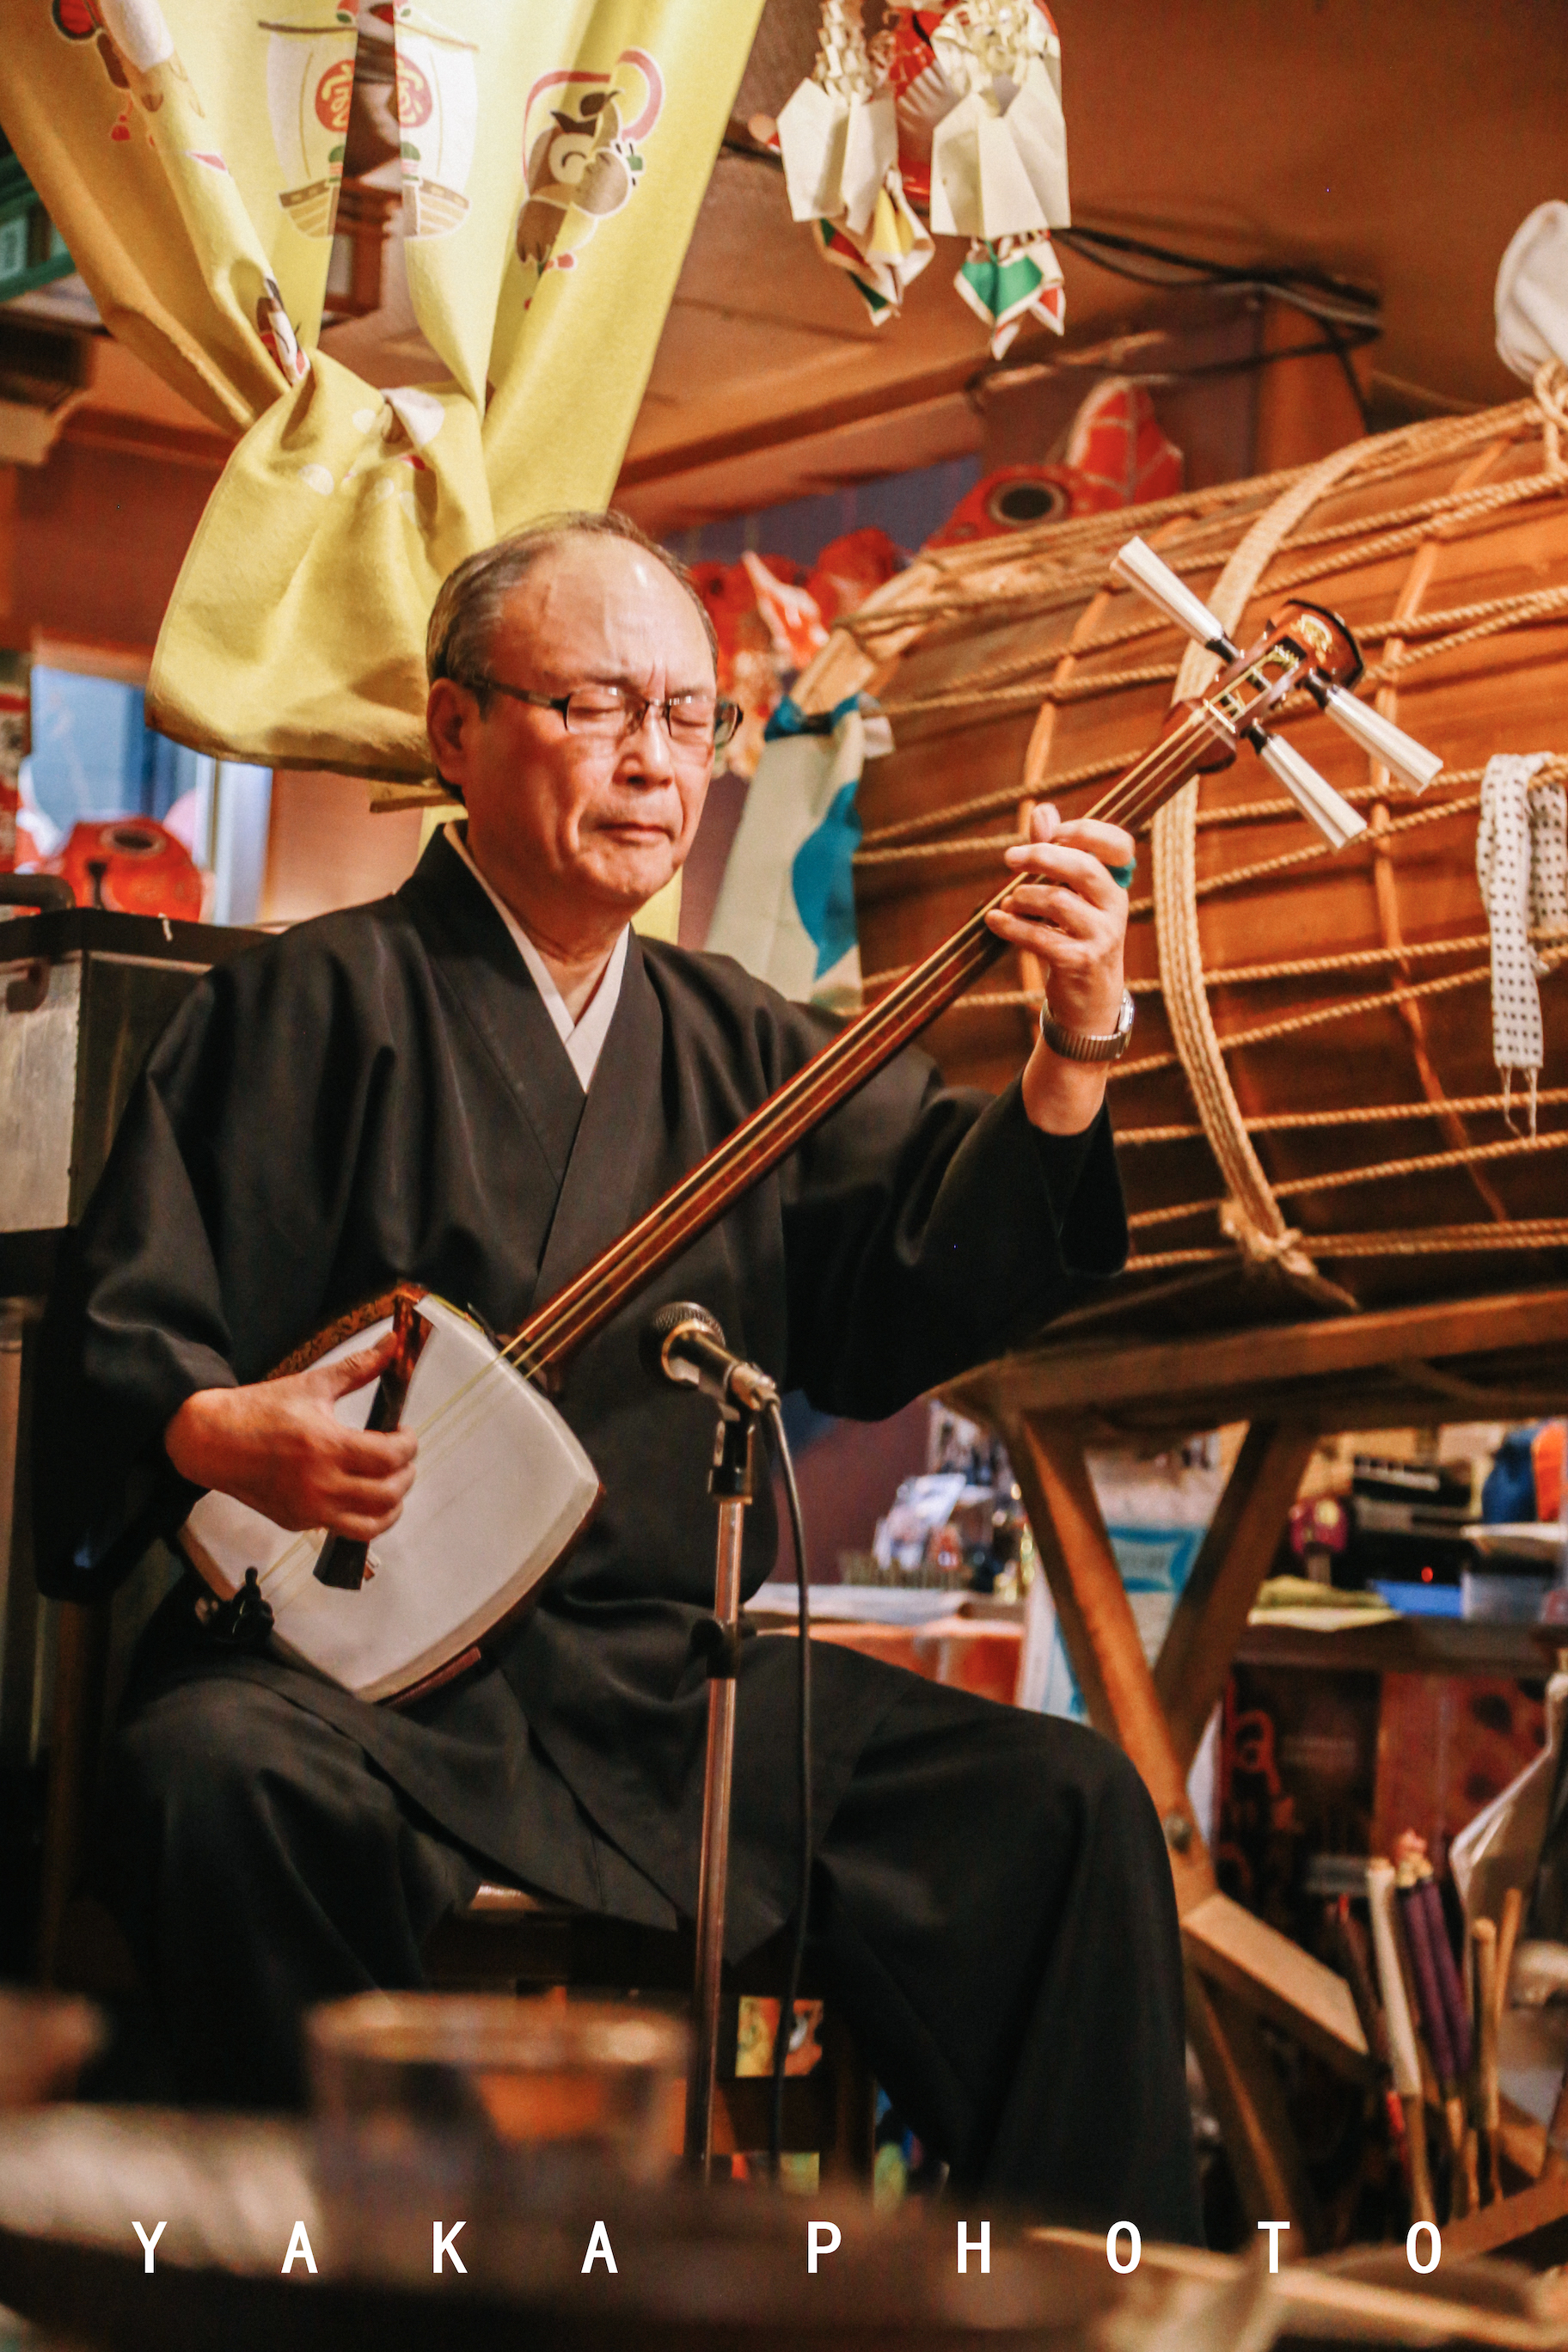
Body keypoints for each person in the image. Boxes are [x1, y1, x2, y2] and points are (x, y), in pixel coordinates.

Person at [35, 511, 1201, 2241]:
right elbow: (129, 1335)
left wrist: (1073, 1049)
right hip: (369, 1690)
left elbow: (902, 1293)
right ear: (456, 732)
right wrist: (227, 1433)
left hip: (669, 1682)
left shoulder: (741, 1040)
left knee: (1063, 1809)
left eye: (689, 719)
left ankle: (1096, 2300)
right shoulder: (309, 1003)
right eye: (600, 709)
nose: (657, 764)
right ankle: (371, 2279)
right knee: (212, 1784)